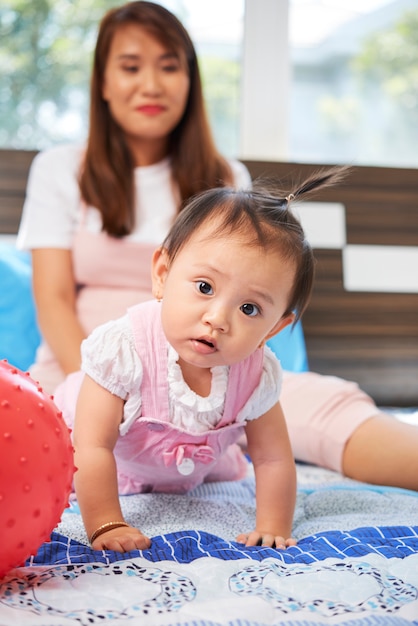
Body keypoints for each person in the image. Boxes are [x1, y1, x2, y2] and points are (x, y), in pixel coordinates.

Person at [17, 1, 418, 494]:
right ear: (102, 82)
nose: (151, 84)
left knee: (324, 406)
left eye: (169, 66)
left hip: (218, 372)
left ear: (191, 81)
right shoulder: (60, 168)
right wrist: (113, 392)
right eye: (130, 66)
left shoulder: (226, 178)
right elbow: (52, 298)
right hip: (92, 374)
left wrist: (202, 399)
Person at [57, 169, 342, 552]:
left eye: (249, 308)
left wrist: (273, 526)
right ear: (162, 275)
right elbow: (92, 446)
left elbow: (273, 457)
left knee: (225, 463)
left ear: (273, 329)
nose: (218, 319)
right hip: (84, 450)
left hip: (179, 468)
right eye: (204, 287)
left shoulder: (256, 375)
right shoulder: (123, 350)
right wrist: (107, 524)